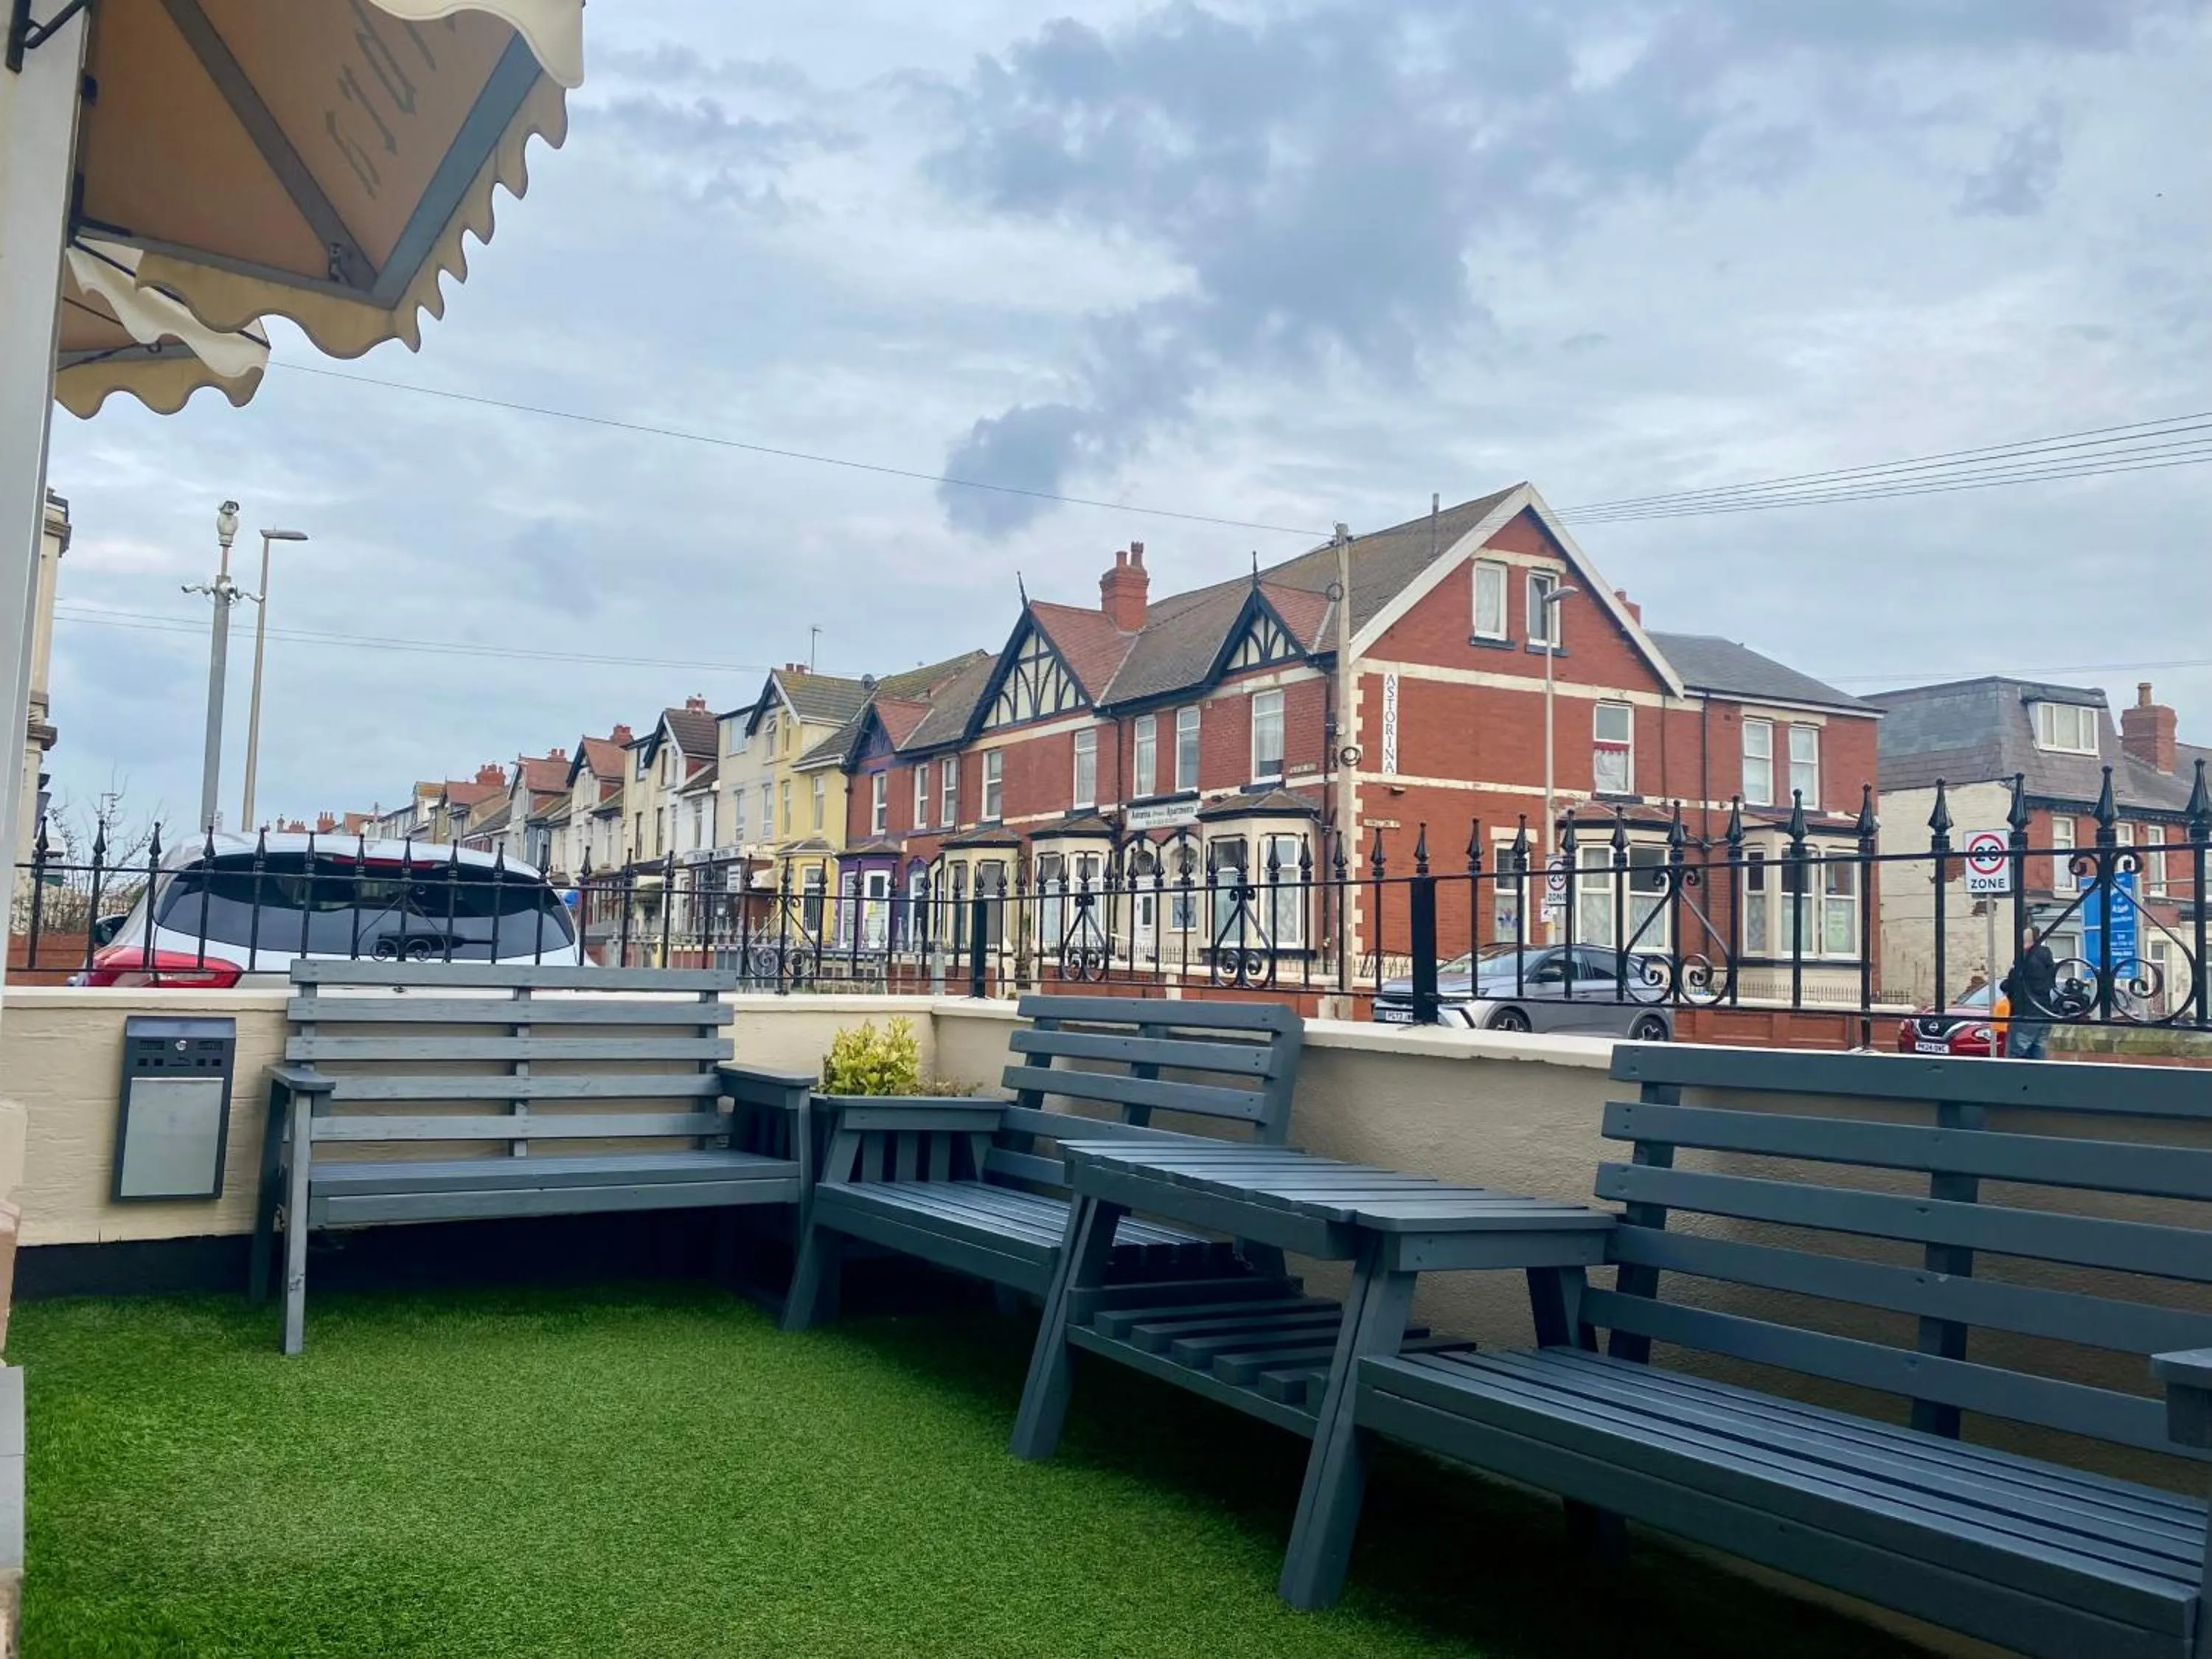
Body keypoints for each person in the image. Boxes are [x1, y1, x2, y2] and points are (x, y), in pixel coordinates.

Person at [2001, 925, 2058, 1060]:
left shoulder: (2025, 961)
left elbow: (2012, 985)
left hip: (2025, 1014)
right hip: (2044, 1013)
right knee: (2038, 1054)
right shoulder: (2046, 960)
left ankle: (2017, 1081)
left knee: (2016, 1056)